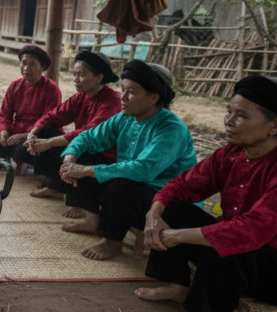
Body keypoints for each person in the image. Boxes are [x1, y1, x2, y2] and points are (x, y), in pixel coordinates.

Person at [136, 76, 277, 312]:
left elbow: (252, 230)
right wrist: (153, 215)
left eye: (241, 116)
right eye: (229, 111)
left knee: (230, 240)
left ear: (275, 125)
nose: (228, 120)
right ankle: (176, 284)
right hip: (241, 255)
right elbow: (180, 186)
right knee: (176, 209)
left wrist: (178, 237)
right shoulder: (231, 153)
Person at [59, 60, 198, 261]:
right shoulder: (126, 117)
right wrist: (70, 158)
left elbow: (143, 170)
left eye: (130, 92)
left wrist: (87, 170)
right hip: (135, 187)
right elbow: (88, 136)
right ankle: (92, 220)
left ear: (154, 98)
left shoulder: (171, 128)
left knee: (121, 183)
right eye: (122, 89)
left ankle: (112, 242)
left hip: (166, 200)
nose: (122, 97)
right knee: (83, 156)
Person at [17, 51, 122, 199]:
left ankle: (78, 198)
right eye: (74, 74)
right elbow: (53, 116)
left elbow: (88, 133)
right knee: (37, 138)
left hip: (102, 156)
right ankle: (56, 187)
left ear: (99, 77)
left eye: (81, 75)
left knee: (70, 150)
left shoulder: (112, 102)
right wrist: (34, 131)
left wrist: (49, 143)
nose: (75, 79)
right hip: (81, 146)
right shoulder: (80, 97)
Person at [0, 45, 61, 163]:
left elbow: (49, 122)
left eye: (33, 64)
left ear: (43, 67)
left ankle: (18, 155)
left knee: (24, 150)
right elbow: (5, 114)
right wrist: (4, 132)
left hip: (37, 137)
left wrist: (25, 136)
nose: (26, 68)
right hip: (15, 134)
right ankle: (18, 155)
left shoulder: (51, 89)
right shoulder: (15, 86)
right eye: (24, 63)